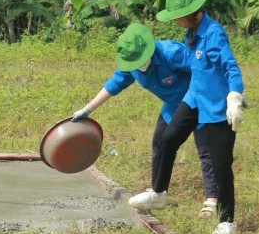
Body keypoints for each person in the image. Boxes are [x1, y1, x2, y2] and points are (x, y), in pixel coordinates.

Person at [72, 23, 220, 217]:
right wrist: (88, 108)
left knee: (206, 150)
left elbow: (205, 69)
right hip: (173, 106)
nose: (138, 66)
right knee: (161, 142)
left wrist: (225, 96)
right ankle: (158, 193)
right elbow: (115, 83)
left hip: (200, 101)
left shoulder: (171, 53)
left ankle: (212, 200)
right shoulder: (131, 63)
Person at [149, 0, 246, 234]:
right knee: (168, 139)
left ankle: (227, 222)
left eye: (176, 15)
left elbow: (231, 67)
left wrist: (234, 97)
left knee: (220, 163)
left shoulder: (214, 34)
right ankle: (158, 193)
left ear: (191, 13)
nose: (175, 20)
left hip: (216, 107)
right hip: (194, 99)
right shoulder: (191, 32)